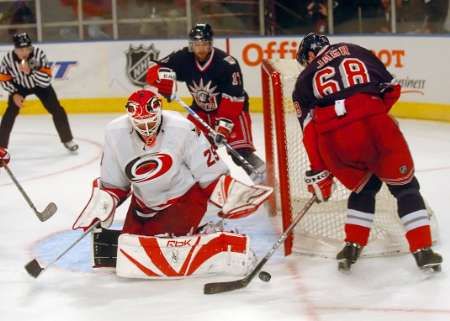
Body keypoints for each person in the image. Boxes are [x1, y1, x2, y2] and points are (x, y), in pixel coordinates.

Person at [72, 89, 272, 278]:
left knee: (156, 246)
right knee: (130, 247)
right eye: (140, 124)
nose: (146, 129)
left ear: (158, 113)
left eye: (150, 122)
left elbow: (209, 172)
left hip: (184, 198)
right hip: (144, 203)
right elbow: (115, 183)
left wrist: (231, 194)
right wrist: (102, 205)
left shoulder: (182, 128)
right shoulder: (115, 133)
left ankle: (214, 232)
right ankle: (197, 231)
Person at [292, 33, 442, 272]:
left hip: (336, 142)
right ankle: (423, 250)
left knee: (365, 187)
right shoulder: (357, 50)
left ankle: (351, 246)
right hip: (375, 126)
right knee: (406, 188)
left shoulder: (303, 81)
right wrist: (374, 113)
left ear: (310, 55)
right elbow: (392, 88)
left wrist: (319, 172)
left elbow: (310, 133)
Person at [145, 23, 266, 183]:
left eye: (204, 44)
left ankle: (268, 181)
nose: (200, 49)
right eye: (196, 44)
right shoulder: (184, 58)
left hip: (232, 111)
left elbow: (234, 98)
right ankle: (206, 189)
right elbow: (155, 67)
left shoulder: (227, 63)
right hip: (201, 111)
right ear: (191, 44)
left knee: (240, 152)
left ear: (210, 44)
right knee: (190, 152)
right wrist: (162, 80)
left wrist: (223, 127)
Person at [0, 32, 78, 152]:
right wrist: (14, 93)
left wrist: (31, 71)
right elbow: (4, 79)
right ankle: (1, 147)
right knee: (10, 113)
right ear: (15, 49)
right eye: (21, 49)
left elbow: (46, 81)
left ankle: (68, 139)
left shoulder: (39, 55)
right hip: (19, 87)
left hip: (40, 85)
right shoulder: (8, 60)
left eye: (27, 48)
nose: (25, 52)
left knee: (57, 110)